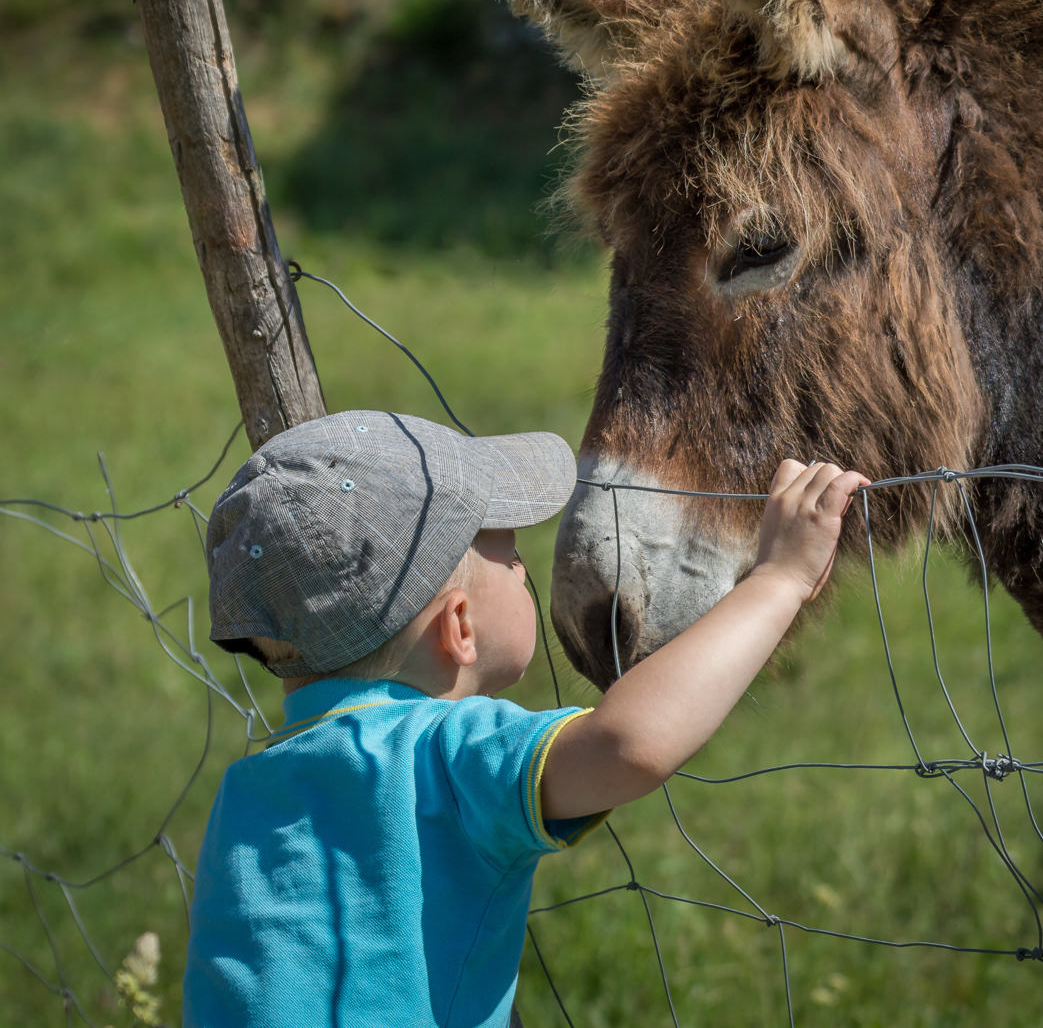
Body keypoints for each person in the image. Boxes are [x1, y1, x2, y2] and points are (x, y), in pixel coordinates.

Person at [182, 409, 867, 1028]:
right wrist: (779, 581)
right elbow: (630, 744)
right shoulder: (444, 755)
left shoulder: (245, 793)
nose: (523, 566)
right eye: (508, 552)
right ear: (459, 628)